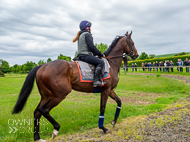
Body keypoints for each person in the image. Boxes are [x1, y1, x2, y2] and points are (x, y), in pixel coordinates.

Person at [73, 20, 105, 87]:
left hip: (80, 55)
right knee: (101, 62)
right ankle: (96, 80)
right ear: (87, 28)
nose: (91, 29)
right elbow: (92, 47)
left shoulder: (81, 35)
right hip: (85, 55)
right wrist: (100, 54)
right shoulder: (87, 34)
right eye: (90, 27)